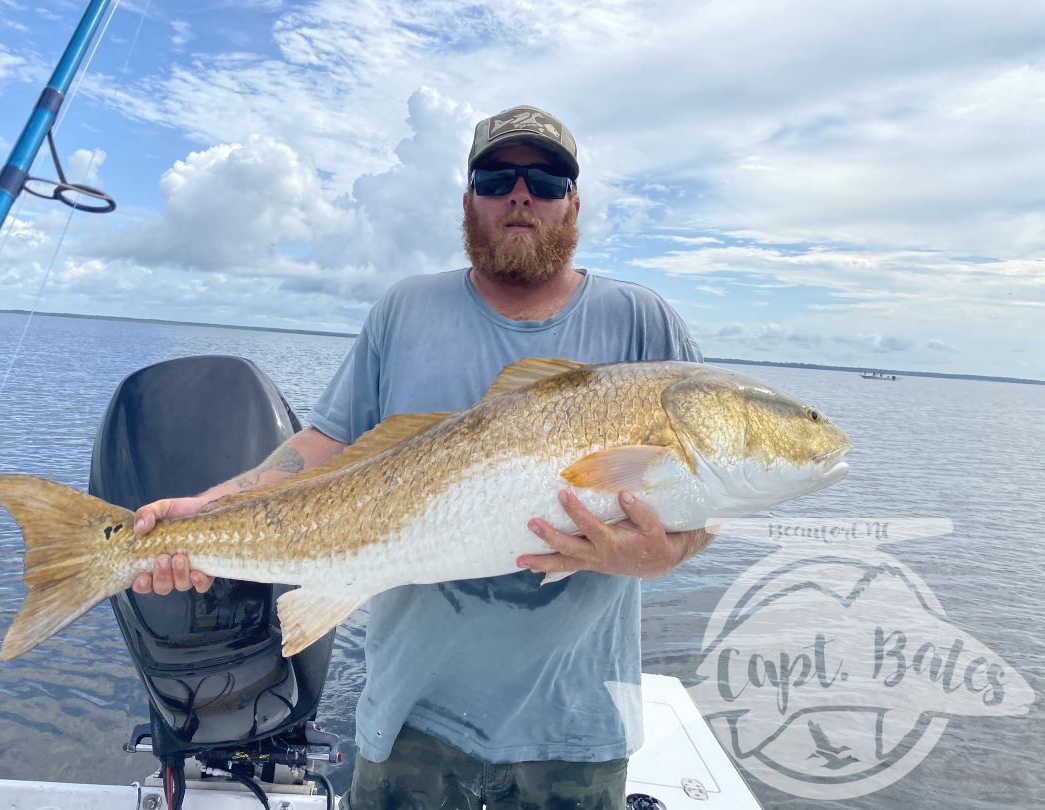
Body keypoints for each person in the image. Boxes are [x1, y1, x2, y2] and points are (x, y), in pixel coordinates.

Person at [131, 104, 710, 809]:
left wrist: (659, 557)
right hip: (412, 713)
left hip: (575, 724)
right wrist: (207, 510)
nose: (520, 195)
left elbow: (703, 499)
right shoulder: (405, 310)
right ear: (469, 199)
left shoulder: (643, 322)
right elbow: (325, 447)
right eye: (497, 177)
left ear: (574, 202)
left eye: (547, 180)